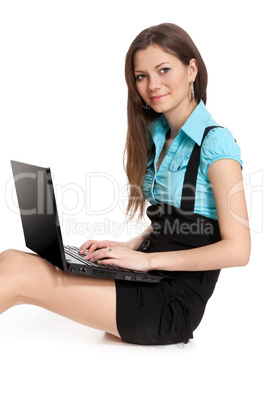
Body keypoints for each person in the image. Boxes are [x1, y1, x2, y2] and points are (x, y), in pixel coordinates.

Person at [0, 23, 250, 345]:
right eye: (142, 76)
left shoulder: (217, 144)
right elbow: (180, 225)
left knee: (22, 276)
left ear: (191, 70)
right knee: (12, 258)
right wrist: (130, 247)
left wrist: (145, 261)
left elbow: (239, 249)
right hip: (150, 279)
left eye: (163, 70)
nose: (152, 85)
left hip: (171, 304)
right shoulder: (159, 137)